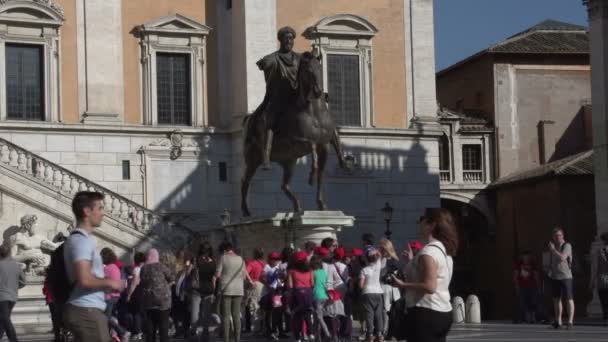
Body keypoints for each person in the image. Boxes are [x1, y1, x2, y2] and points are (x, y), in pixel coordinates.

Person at [63, 191, 126, 342]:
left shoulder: (83, 239)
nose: (103, 213)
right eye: (100, 208)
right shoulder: (82, 241)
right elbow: (84, 279)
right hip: (86, 310)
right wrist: (112, 282)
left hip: (87, 309)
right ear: (87, 211)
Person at [392, 208, 458, 342]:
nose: (419, 223)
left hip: (426, 312)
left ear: (432, 225)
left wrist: (403, 284)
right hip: (443, 311)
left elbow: (430, 286)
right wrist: (412, 262)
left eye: (422, 219)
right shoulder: (444, 251)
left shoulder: (428, 252)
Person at [255, 26, 301, 169]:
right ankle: (266, 156)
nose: (289, 41)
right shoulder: (274, 58)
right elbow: (262, 63)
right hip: (278, 99)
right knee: (271, 123)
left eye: (291, 38)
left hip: (296, 98)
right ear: (280, 40)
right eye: (286, 38)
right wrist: (265, 63)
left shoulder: (299, 59)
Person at [140, 248, 174, 342]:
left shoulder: (143, 268)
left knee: (150, 328)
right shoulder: (161, 266)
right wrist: (167, 286)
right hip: (163, 301)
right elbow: (172, 278)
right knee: (163, 327)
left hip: (149, 301)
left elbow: (142, 282)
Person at [216, 241, 246, 342]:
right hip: (239, 290)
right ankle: (237, 339)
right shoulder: (241, 259)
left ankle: (226, 339)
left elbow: (218, 274)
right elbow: (244, 276)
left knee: (226, 316)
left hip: (226, 289)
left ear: (224, 250)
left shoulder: (223, 258)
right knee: (236, 315)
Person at [100, 247, 130, 342]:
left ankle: (122, 332)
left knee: (105, 318)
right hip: (116, 296)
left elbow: (103, 282)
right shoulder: (115, 267)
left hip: (109, 296)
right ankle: (113, 335)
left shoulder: (107, 268)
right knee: (108, 317)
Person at [547, 227, 574, 329]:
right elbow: (552, 261)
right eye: (555, 236)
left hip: (566, 276)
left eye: (559, 235)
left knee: (569, 298)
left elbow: (563, 257)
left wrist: (553, 250)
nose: (557, 237)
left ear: (563, 236)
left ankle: (570, 321)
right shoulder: (553, 247)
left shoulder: (567, 245)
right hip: (554, 276)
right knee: (556, 299)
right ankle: (558, 321)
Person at [0, 244, 25, 342]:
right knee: (3, 319)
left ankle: (14, 340)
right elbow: (23, 282)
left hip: (1, 297)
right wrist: (14, 287)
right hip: (13, 296)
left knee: (5, 319)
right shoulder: (16, 265)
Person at [288, 251, 314, 342]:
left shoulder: (291, 271)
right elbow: (312, 284)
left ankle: (298, 338)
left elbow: (290, 286)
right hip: (308, 294)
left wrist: (289, 300)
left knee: (297, 317)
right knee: (307, 315)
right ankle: (310, 333)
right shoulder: (310, 270)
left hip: (297, 294)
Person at [359, 247, 383, 342]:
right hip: (378, 292)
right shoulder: (378, 265)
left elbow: (361, 285)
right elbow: (379, 254)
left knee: (369, 315)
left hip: (367, 293)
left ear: (366, 258)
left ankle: (369, 335)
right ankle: (379, 335)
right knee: (378, 315)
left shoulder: (364, 270)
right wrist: (375, 251)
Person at [194, 242, 217, 338]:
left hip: (198, 289)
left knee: (197, 312)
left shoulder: (197, 260)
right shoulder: (213, 262)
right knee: (206, 312)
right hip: (209, 289)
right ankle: (205, 332)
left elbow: (195, 274)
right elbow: (214, 278)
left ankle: (196, 331)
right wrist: (215, 289)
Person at [378, 238, 401, 335]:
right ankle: (382, 330)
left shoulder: (391, 261)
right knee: (382, 310)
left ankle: (385, 331)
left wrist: (387, 276)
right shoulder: (380, 259)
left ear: (387, 249)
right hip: (380, 287)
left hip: (388, 288)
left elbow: (394, 275)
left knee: (385, 310)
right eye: (380, 248)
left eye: (382, 248)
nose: (380, 250)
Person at [513, 251, 540, 324]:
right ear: (522, 257)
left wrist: (538, 286)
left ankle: (533, 318)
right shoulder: (518, 265)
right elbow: (515, 276)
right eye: (525, 257)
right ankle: (527, 318)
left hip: (532, 286)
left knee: (533, 302)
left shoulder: (533, 264)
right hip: (522, 287)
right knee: (523, 303)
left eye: (528, 257)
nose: (526, 259)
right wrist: (516, 286)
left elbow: (536, 275)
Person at [244, 248, 265, 334]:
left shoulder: (252, 264)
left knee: (251, 307)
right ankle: (261, 327)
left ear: (255, 254)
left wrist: (250, 281)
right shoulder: (264, 264)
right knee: (261, 308)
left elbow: (245, 272)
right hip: (263, 287)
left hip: (254, 286)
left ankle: (251, 327)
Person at [311, 255, 331, 339]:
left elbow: (312, 284)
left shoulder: (312, 273)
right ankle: (317, 337)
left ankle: (327, 334)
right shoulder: (323, 272)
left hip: (316, 295)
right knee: (317, 318)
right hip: (324, 296)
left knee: (319, 317)